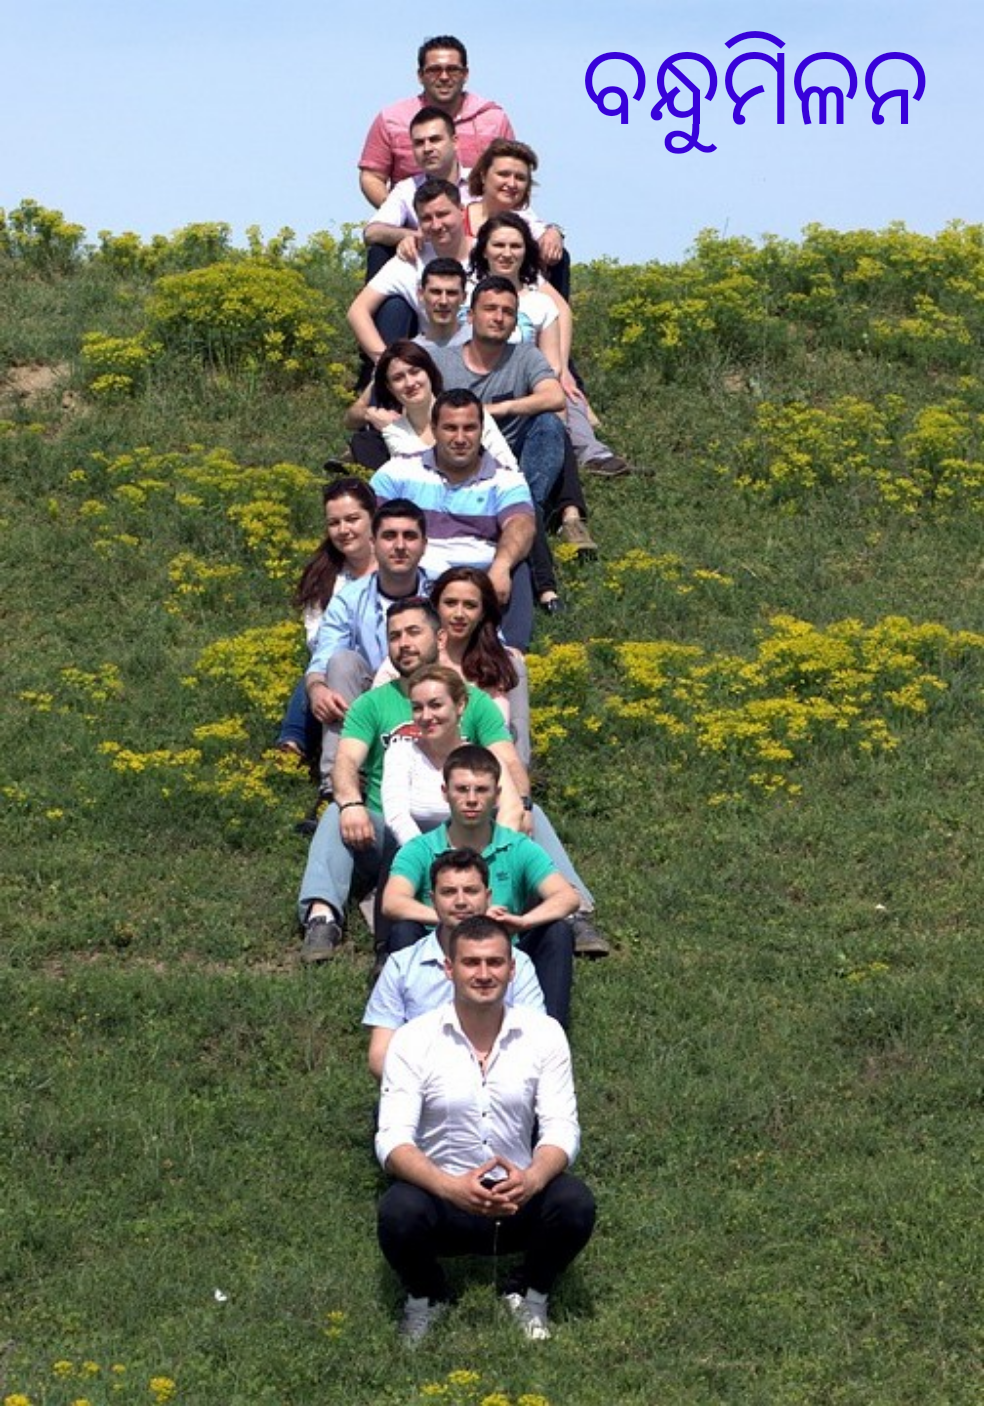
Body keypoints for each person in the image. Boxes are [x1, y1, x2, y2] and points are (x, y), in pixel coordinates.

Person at [375, 915, 596, 1344]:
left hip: (516, 1196)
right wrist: (450, 1187)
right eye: (471, 962)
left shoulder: (544, 1034)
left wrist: (531, 1180)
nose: (483, 973)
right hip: (442, 1196)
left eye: (494, 962)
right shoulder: (413, 1040)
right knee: (398, 1211)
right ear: (449, 969)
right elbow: (392, 1139)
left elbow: (561, 1127)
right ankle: (427, 1296)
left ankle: (530, 1291)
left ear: (512, 970)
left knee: (574, 1201)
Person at [297, 599, 518, 962]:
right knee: (336, 814)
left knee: (531, 813)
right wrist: (351, 803)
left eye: (414, 632)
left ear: (441, 638)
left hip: (465, 827)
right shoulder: (373, 704)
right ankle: (322, 917)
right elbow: (346, 761)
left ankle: (575, 912)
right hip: (386, 831)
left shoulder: (472, 702)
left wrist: (521, 807)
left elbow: (507, 762)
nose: (404, 643)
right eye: (394, 636)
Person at [382, 738, 579, 1022]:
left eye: (482, 790)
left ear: (497, 795)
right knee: (403, 930)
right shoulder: (420, 848)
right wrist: (455, 919)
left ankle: (551, 1032)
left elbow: (567, 897)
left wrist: (523, 922)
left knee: (557, 932)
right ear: (445, 792)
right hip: (438, 954)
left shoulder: (517, 846)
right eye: (462, 789)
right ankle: (405, 1026)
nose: (472, 799)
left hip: (502, 954)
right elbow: (392, 902)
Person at [470, 212, 632, 483]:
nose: (507, 253)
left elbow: (552, 358)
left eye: (515, 246)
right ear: (484, 250)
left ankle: (590, 455)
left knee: (564, 393)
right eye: (498, 245)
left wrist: (551, 377)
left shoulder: (538, 299)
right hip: (478, 382)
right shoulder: (466, 293)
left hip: (529, 381)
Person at [370, 388, 537, 651]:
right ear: (434, 429)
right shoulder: (398, 472)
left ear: (482, 430)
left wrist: (502, 565)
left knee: (518, 564)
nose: (460, 438)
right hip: (415, 577)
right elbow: (369, 526)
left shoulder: (505, 479)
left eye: (469, 428)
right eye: (450, 428)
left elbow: (521, 523)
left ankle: (511, 654)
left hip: (479, 579)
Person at [363, 848, 544, 1078]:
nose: (460, 901)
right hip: (420, 1089)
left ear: (488, 897)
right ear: (433, 900)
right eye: (448, 892)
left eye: (471, 891)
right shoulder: (402, 966)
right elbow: (380, 1056)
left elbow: (536, 1042)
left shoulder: (519, 964)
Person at [305, 499, 431, 787]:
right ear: (373, 543)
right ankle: (337, 784)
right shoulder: (350, 598)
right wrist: (317, 688)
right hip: (372, 695)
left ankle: (508, 780)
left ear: (425, 545)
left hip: (435, 691)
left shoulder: (443, 592)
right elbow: (324, 657)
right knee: (342, 662)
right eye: (389, 536)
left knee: (512, 663)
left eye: (410, 536)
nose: (400, 546)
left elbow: (484, 644)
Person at [275, 477, 377, 764]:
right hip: (339, 667)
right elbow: (316, 639)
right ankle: (296, 749)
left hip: (388, 667)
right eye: (334, 523)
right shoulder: (324, 576)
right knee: (329, 668)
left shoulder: (396, 567)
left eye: (353, 519)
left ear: (373, 517)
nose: (344, 530)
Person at [358, 36, 513, 206]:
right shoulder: (392, 120)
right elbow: (372, 176)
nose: (444, 77)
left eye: (452, 69)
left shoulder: (493, 119)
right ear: (420, 75)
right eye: (434, 70)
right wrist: (400, 213)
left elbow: (512, 173)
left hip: (482, 220)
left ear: (465, 74)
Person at [346, 339, 517, 471]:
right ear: (390, 387)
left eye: (415, 372)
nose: (410, 383)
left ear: (429, 372)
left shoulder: (471, 413)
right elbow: (420, 478)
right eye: (398, 378)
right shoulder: (395, 432)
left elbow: (508, 466)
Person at [348, 180, 472, 359]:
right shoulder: (411, 260)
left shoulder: (489, 255)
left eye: (442, 214)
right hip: (435, 362)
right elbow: (358, 311)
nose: (436, 225)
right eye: (426, 218)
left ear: (461, 211)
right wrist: (384, 362)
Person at [431, 566, 529, 761]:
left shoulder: (504, 664)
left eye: (470, 605)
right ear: (436, 607)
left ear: (483, 612)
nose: (459, 613)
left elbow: (517, 733)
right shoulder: (412, 657)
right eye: (450, 603)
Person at [363, 108, 471, 259]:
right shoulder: (407, 189)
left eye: (435, 140)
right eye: (419, 143)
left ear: (455, 142)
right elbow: (371, 232)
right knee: (378, 251)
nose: (427, 149)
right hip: (429, 267)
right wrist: (414, 236)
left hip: (482, 263)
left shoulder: (480, 182)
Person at [463, 138, 566, 287]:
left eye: (520, 178)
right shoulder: (455, 219)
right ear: (483, 176)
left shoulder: (529, 230)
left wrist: (555, 232)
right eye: (503, 174)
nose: (512, 184)